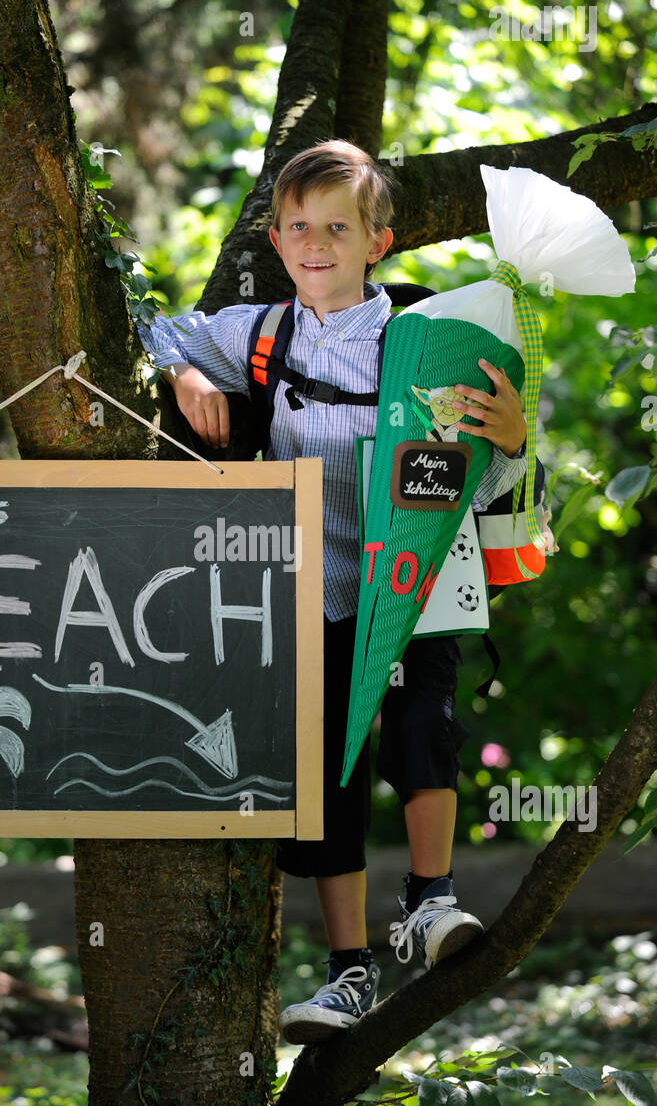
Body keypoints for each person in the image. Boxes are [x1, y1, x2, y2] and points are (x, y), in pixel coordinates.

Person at [137, 140, 527, 1045]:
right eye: (300, 227)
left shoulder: (424, 336)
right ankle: (348, 972)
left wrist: (507, 437)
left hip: (414, 575)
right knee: (321, 772)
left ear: (376, 242)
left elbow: (482, 476)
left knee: (421, 728)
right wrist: (189, 373)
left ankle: (431, 902)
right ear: (277, 239)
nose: (317, 243)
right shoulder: (260, 333)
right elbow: (159, 329)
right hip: (310, 588)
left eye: (337, 228)